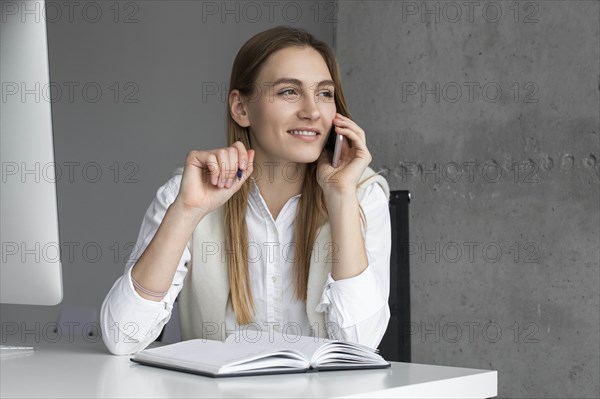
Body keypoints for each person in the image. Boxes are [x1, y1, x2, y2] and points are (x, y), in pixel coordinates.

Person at [100, 26, 392, 355]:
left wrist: (340, 197)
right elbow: (122, 336)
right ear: (241, 108)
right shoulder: (189, 192)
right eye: (289, 92)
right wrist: (187, 212)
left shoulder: (363, 195)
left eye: (324, 94)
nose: (312, 111)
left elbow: (361, 344)